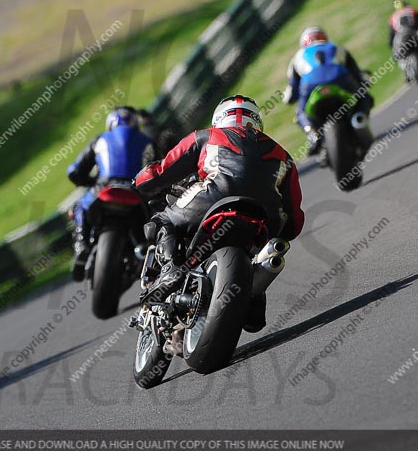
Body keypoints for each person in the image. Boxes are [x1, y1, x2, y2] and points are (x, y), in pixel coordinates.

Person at [134, 95, 304, 333]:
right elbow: (294, 217)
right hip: (265, 216)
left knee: (163, 219)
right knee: (264, 250)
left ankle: (172, 269)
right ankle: (254, 297)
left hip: (213, 197)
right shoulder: (283, 154)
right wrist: (286, 229)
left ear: (218, 119)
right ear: (257, 122)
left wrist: (141, 181)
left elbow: (161, 172)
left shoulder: (206, 136)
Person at [67, 106, 154, 280]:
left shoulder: (100, 139)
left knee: (79, 207)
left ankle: (82, 244)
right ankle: (147, 250)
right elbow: (159, 168)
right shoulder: (147, 140)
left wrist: (91, 182)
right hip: (136, 190)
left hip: (104, 187)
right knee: (155, 216)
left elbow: (74, 172)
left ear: (110, 124)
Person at [283, 26, 372, 155]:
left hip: (310, 85)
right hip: (340, 79)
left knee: (300, 112)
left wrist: (287, 98)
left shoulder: (298, 57)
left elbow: (292, 91)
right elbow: (356, 73)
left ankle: (312, 133)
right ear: (324, 36)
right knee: (363, 96)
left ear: (304, 42)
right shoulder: (336, 47)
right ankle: (360, 119)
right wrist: (364, 81)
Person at [389, 0, 418, 73]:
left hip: (401, 39)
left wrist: (391, 45)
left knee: (397, 55)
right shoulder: (412, 10)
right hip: (414, 34)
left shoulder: (393, 17)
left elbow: (392, 35)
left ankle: (407, 72)